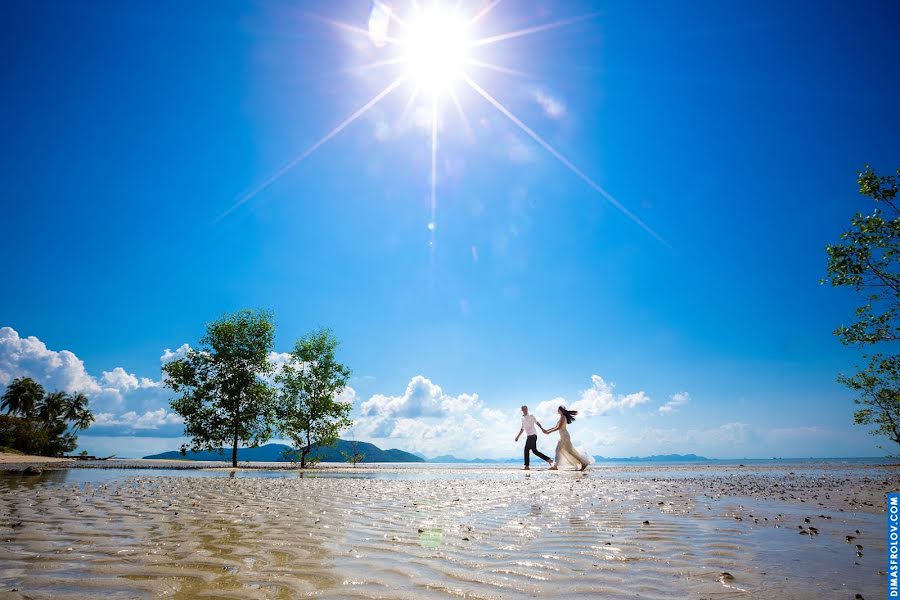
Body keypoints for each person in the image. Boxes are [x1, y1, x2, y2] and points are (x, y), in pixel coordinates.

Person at [541, 406, 590, 471]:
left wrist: (549, 432)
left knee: (566, 451)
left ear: (560, 410)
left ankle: (556, 466)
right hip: (563, 436)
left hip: (565, 437)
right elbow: (556, 426)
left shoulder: (563, 417)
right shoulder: (561, 417)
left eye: (558, 410)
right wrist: (547, 430)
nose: (557, 411)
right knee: (563, 451)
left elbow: (559, 427)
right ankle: (582, 463)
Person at [515, 405, 553, 470]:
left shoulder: (531, 416)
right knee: (534, 451)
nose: (525, 410)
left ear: (527, 409)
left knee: (527, 450)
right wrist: (518, 437)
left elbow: (537, 423)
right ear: (522, 410)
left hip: (533, 435)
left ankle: (527, 466)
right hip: (529, 436)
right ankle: (549, 460)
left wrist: (542, 429)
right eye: (524, 409)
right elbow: (522, 429)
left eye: (526, 409)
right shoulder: (523, 418)